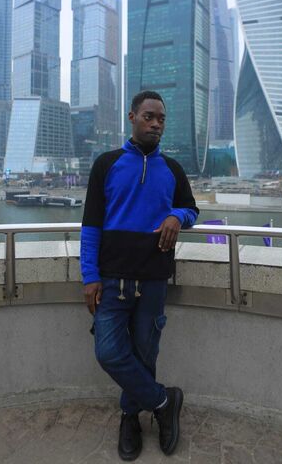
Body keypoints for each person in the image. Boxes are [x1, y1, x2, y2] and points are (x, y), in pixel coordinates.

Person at [81, 90, 199, 461]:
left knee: (146, 355)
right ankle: (164, 402)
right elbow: (91, 225)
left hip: (153, 280)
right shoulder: (107, 163)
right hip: (112, 279)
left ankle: (130, 417)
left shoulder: (173, 170)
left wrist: (176, 216)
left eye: (161, 118)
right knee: (108, 352)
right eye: (149, 116)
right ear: (132, 117)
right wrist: (89, 277)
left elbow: (192, 210)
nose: (155, 124)